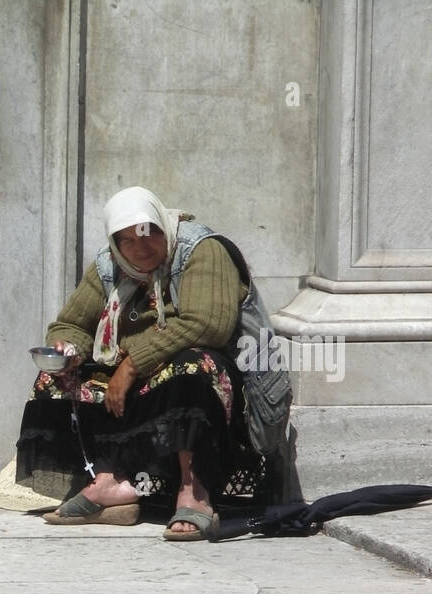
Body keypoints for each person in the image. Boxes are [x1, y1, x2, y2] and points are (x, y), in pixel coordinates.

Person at [15, 186, 255, 540]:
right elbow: (72, 324)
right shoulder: (109, 264)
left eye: (149, 235)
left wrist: (132, 365)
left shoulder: (201, 250)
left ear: (163, 226)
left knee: (192, 367)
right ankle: (112, 482)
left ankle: (194, 492)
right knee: (57, 378)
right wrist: (69, 349)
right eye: (128, 241)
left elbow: (207, 325)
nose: (141, 249)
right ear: (116, 243)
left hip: (191, 369)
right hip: (135, 372)